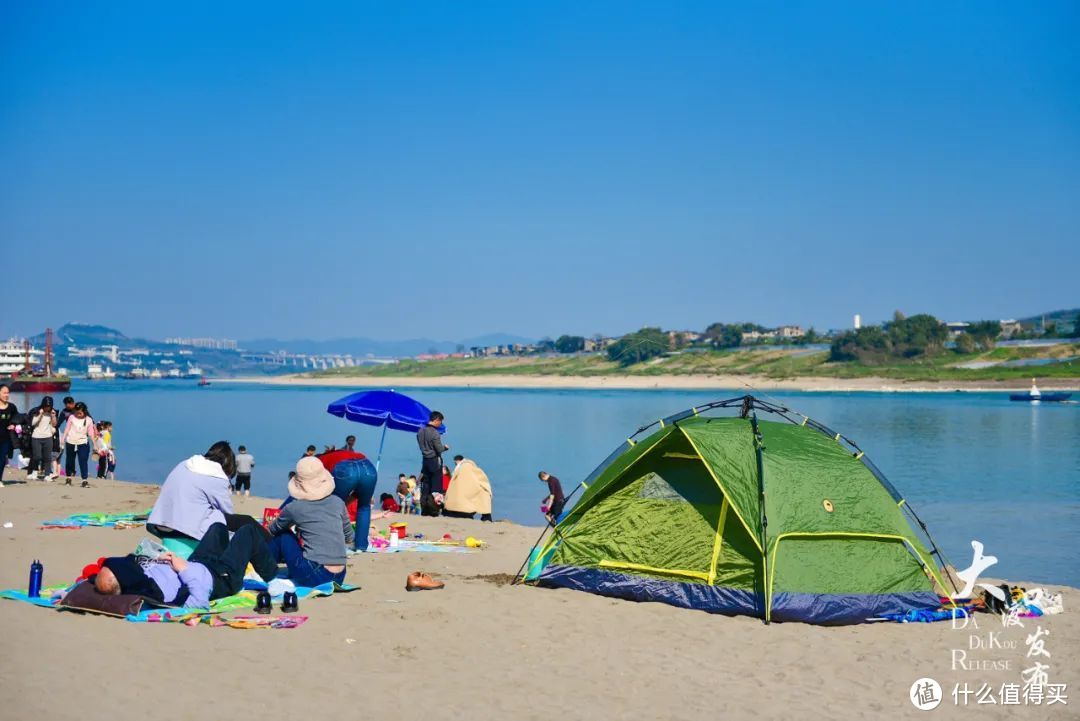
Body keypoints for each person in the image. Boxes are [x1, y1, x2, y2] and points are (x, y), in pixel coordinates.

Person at [92, 522, 278, 608]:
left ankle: (236, 556)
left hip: (198, 563)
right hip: (222, 578)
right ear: (125, 578)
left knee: (218, 528)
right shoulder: (158, 593)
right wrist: (183, 570)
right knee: (247, 531)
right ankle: (274, 577)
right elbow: (200, 601)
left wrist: (160, 559)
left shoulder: (139, 579)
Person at [147, 441, 263, 543]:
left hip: (160, 523)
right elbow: (227, 512)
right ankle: (273, 548)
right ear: (227, 467)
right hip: (184, 529)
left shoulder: (185, 464)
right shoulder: (217, 476)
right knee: (246, 521)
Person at [267, 457, 353, 586]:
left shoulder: (295, 507)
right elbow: (349, 537)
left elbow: (273, 529)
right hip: (340, 575)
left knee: (284, 535)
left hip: (314, 574)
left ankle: (264, 568)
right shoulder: (338, 502)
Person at [329, 456, 377, 552]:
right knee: (364, 507)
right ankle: (361, 546)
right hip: (368, 468)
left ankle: (332, 543)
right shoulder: (342, 453)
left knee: (333, 506)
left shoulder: (318, 462)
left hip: (345, 469)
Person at [443, 455, 494, 522]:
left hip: (452, 508)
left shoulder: (459, 469)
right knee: (484, 493)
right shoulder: (470, 467)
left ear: (457, 461)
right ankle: (486, 517)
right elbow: (481, 479)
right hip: (465, 509)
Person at [416, 410, 448, 516]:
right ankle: (433, 510)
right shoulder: (435, 433)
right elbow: (439, 449)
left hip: (425, 459)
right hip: (434, 460)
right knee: (435, 487)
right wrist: (445, 448)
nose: (440, 424)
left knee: (426, 485)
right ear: (436, 420)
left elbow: (421, 445)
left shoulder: (420, 431)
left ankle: (424, 509)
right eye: (440, 422)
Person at [61, 402, 97, 487]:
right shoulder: (71, 417)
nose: (78, 414)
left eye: (80, 413)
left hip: (83, 443)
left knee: (83, 460)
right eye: (76, 412)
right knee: (70, 461)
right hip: (71, 442)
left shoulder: (89, 419)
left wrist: (94, 444)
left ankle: (84, 480)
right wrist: (63, 438)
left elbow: (91, 432)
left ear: (84, 411)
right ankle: (68, 478)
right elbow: (67, 429)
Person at [26, 396, 58, 481]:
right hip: (36, 437)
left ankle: (47, 475)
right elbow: (33, 423)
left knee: (47, 457)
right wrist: (40, 414)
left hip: (48, 437)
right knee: (37, 456)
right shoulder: (37, 411)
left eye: (49, 406)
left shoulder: (52, 413)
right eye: (46, 406)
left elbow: (54, 425)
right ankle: (34, 471)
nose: (47, 408)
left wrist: (53, 416)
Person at [0, 384, 19, 487]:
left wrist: (14, 424)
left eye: (8, 393)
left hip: (6, 438)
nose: (6, 395)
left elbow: (18, 418)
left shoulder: (12, 407)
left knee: (2, 459)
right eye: (4, 393)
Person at [54, 396, 76, 478]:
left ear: (73, 403)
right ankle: (70, 472)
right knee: (70, 454)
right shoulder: (64, 411)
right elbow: (59, 422)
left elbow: (89, 419)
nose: (68, 406)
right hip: (70, 435)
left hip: (81, 435)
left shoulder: (79, 409)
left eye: (69, 404)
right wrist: (54, 429)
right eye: (66, 404)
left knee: (80, 455)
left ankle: (74, 471)